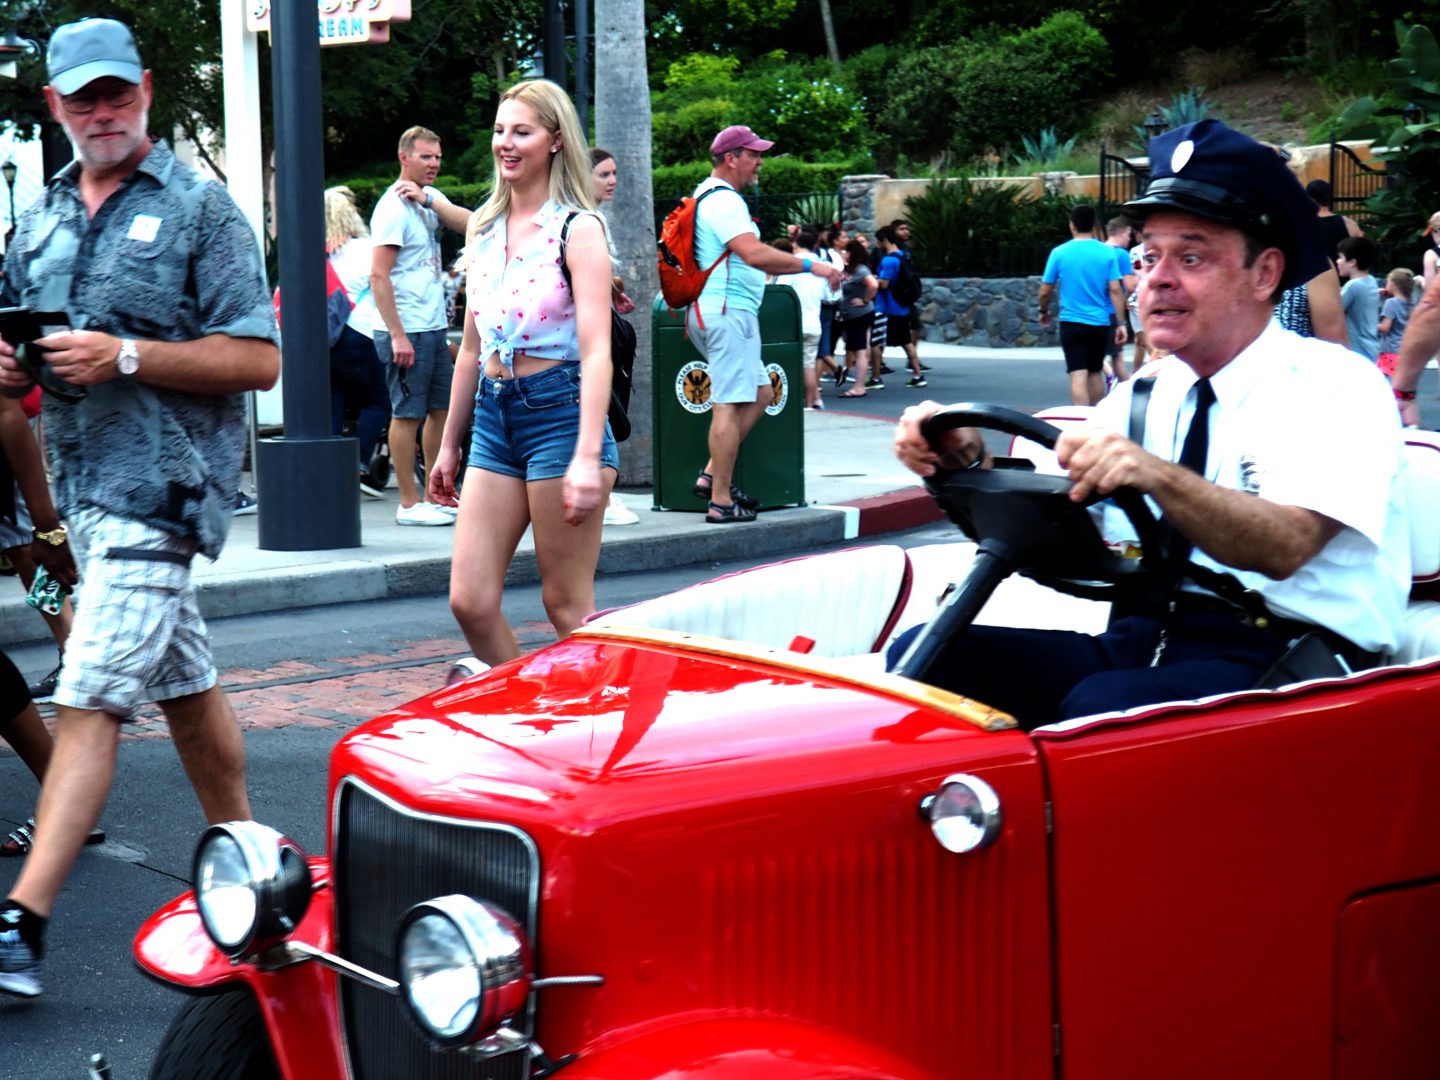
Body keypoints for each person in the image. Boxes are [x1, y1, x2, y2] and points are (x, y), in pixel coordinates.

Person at [892, 118, 1408, 730]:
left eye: (1191, 256)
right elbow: (1058, 506)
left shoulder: (1334, 386)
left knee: (1101, 713)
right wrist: (965, 460)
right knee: (926, 660)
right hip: (1152, 638)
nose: (1158, 278)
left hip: (1295, 664)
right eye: (1149, 255)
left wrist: (1157, 476)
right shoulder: (1144, 394)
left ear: (1265, 274)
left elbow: (1285, 545)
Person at [0, 17, 280, 997]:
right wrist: (11, 366)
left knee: (87, 695)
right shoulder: (36, 221)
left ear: (148, 92)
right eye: (84, 98)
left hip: (164, 496)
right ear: (56, 107)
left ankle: (20, 923)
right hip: (81, 501)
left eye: (117, 93)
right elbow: (18, 368)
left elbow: (259, 358)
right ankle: (253, 869)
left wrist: (125, 354)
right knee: (186, 688)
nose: (103, 112)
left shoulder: (204, 210)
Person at [428, 79, 616, 663]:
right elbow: (469, 349)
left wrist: (587, 454)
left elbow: (597, 350)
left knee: (566, 606)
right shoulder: (483, 227)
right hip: (494, 415)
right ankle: (531, 714)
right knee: (471, 599)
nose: (505, 144)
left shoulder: (578, 230)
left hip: (560, 413)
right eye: (500, 131)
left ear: (555, 141)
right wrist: (449, 445)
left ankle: (604, 728)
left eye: (522, 132)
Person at [684, 124, 840, 524]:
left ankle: (709, 475)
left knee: (759, 393)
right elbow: (753, 254)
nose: (759, 162)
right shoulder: (723, 201)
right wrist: (813, 265)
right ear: (731, 158)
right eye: (753, 154)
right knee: (730, 402)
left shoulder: (712, 196)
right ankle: (720, 501)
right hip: (726, 312)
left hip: (723, 312)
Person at [371, 125, 472, 527]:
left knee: (442, 410)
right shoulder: (392, 208)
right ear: (404, 157)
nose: (434, 164)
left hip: (430, 326)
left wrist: (430, 199)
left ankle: (437, 493)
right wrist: (397, 333)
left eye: (437, 157)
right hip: (406, 328)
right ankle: (409, 504)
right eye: (426, 157)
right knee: (406, 414)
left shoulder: (426, 200)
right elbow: (379, 275)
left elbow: (472, 223)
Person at [324, 186, 390, 498]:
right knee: (377, 401)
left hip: (325, 337)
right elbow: (383, 282)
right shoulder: (366, 248)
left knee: (335, 401)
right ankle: (360, 464)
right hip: (360, 332)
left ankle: (330, 470)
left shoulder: (316, 251)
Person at [588, 147, 640, 527]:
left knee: (606, 408)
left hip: (603, 324)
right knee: (602, 410)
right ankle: (603, 497)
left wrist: (613, 286)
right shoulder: (586, 220)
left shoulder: (594, 219)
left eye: (614, 173)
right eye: (604, 174)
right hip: (592, 333)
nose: (612, 181)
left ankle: (604, 494)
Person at [1038, 205, 1127, 405]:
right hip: (1100, 322)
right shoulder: (1107, 253)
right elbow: (1115, 290)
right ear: (1093, 225)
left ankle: (1081, 422)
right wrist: (1121, 323)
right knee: (1095, 372)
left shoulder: (1059, 253)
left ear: (1072, 225)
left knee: (1078, 375)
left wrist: (1043, 310)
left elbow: (1045, 290)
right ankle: (1095, 418)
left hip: (1072, 322)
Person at [776, 225, 830, 408]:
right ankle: (810, 403)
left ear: (796, 245)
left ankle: (793, 402)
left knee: (789, 363)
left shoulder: (791, 265)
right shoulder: (823, 266)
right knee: (809, 365)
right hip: (814, 321)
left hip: (793, 322)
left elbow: (780, 291)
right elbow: (828, 296)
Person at [872, 226, 925, 388]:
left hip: (886, 307)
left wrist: (872, 279)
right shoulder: (902, 256)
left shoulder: (888, 261)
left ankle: (875, 378)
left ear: (885, 240)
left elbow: (884, 284)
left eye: (879, 241)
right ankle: (917, 375)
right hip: (901, 307)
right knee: (906, 342)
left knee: (876, 343)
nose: (877, 244)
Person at [836, 239, 879, 399]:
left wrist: (865, 300)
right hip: (856, 315)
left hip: (859, 315)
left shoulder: (861, 270)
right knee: (861, 349)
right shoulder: (851, 270)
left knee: (860, 351)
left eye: (846, 251)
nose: (843, 254)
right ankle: (860, 384)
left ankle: (859, 387)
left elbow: (873, 285)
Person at [1103, 215, 1139, 385]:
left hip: (1095, 310)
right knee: (1117, 356)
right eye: (1129, 235)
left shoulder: (1099, 252)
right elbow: (1130, 284)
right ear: (1123, 232)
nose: (1130, 239)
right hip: (1111, 311)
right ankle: (1129, 391)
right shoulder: (1122, 255)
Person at [1336, 235, 1380, 362]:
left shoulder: (1352, 286)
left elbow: (1334, 309)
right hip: (1371, 346)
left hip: (1358, 349)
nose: (1338, 261)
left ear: (1352, 262)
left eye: (1340, 257)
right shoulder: (1370, 280)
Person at [1306, 179, 1363, 260]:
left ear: (1310, 199)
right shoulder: (1348, 223)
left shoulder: (1302, 224)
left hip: (1313, 271)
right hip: (1341, 271)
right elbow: (1361, 250)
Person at [1377, 268, 1415, 377]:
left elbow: (1385, 327)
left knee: (1384, 383)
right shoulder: (1411, 302)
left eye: (1388, 281)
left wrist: (1369, 325)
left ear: (1393, 284)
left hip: (1391, 351)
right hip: (1405, 350)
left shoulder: (1391, 303)